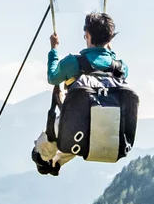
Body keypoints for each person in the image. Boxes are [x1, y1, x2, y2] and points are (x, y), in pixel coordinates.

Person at [33, 12, 128, 174]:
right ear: (109, 39)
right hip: (105, 128)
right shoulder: (120, 68)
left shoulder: (74, 62)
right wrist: (110, 54)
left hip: (74, 126)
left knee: (51, 141)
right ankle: (57, 160)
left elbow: (52, 77)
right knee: (80, 136)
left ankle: (43, 159)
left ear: (88, 35)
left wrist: (53, 50)